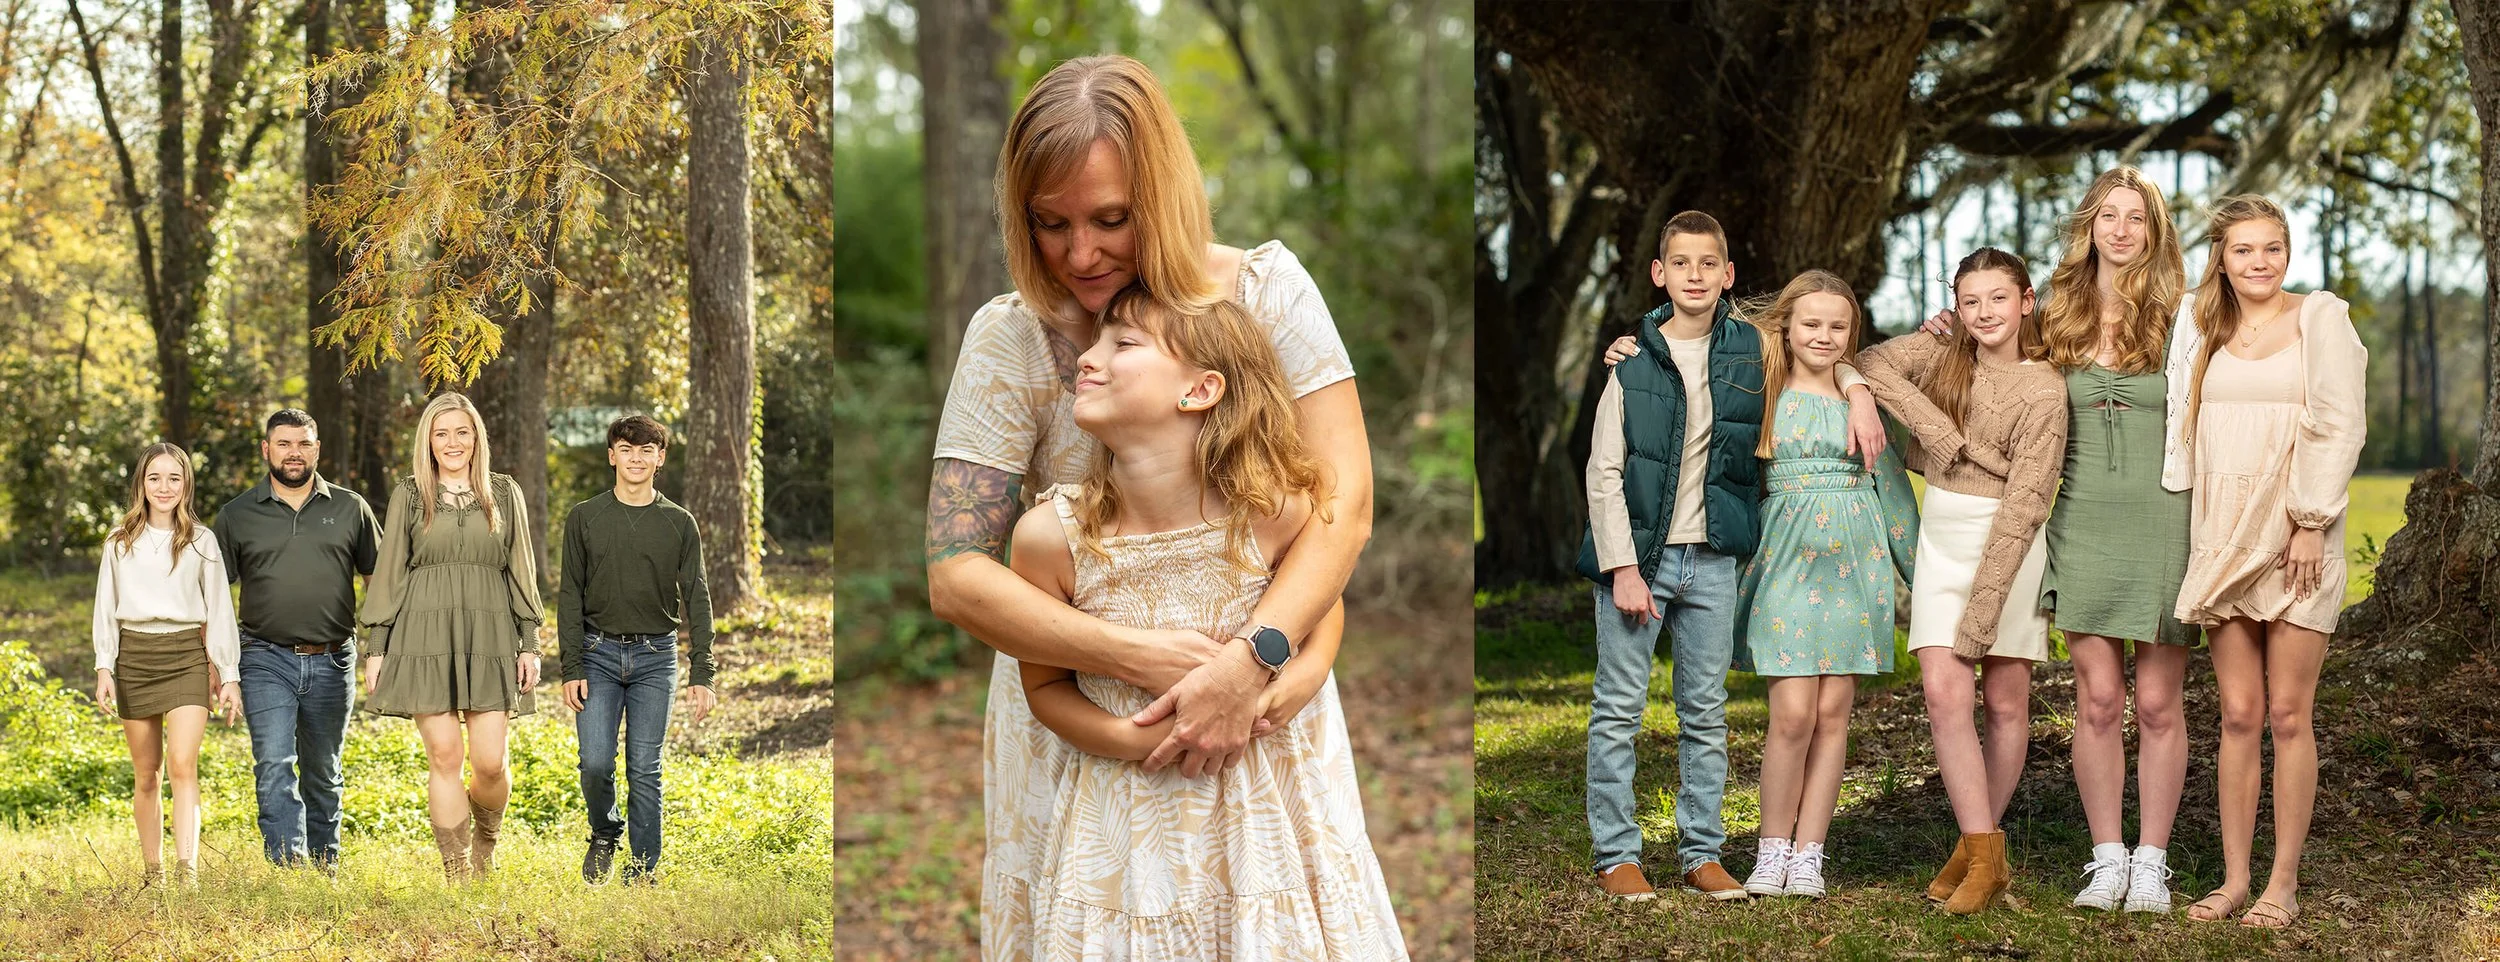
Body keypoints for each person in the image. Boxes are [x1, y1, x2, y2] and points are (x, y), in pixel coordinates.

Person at [917, 55, 1374, 949]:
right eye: (1050, 224)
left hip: (1260, 716)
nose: (1080, 253)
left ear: (1160, 194)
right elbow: (956, 573)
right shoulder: (1009, 338)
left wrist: (1255, 665)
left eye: (1111, 219)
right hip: (1086, 738)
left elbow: (1341, 505)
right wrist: (1139, 661)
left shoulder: (1266, 295)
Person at [1007, 286, 1402, 958]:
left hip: (1266, 807)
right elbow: (1045, 689)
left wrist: (1294, 684)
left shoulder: (1270, 510)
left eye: (1122, 344)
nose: (1089, 359)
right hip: (1126, 825)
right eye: (1094, 343)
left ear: (1200, 390)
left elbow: (1322, 602)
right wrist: (1136, 742)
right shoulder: (1051, 538)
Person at [1578, 211, 1887, 902]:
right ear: (1660, 274)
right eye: (1680, 263)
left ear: (1728, 274)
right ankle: (1618, 854)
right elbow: (1604, 472)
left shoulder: (1751, 352)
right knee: (1620, 708)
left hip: (1715, 558)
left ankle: (1701, 852)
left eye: (1708, 264)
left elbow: (1825, 343)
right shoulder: (1632, 363)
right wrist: (1623, 567)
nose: (1695, 275)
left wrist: (1860, 389)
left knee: (1705, 712)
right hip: (1641, 559)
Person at [1924, 167, 2200, 913]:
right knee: (2099, 700)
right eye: (2107, 216)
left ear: (2154, 231)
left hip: (2167, 521)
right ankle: (2107, 858)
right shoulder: (2055, 317)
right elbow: (1988, 351)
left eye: (2136, 218)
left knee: (2159, 705)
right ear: (2089, 226)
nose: (2120, 230)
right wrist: (1937, 332)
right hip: (2078, 522)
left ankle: (2153, 863)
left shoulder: (2185, 316)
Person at [2172, 195, 2366, 929]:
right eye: (2243, 250)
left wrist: (2312, 522)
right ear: (2221, 257)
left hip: (2294, 540)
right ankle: (2233, 879)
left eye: (2272, 249)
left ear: (2288, 253)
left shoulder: (2320, 318)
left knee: (2288, 714)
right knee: (2239, 713)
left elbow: (2340, 423)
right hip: (2223, 537)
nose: (2258, 263)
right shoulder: (2203, 324)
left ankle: (2282, 884)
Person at [1855, 247, 2068, 914]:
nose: (1985, 314)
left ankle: (1976, 852)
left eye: (1998, 299)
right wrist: (1940, 432)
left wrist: (1982, 612)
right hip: (1943, 534)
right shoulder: (1946, 356)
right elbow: (1869, 365)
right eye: (1971, 301)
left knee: (2005, 699)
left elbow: (2028, 503)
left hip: (2010, 541)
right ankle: (1985, 853)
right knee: (1946, 694)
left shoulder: (2045, 389)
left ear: (2026, 301)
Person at [1730, 271, 1918, 900]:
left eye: (1839, 326)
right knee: (1791, 715)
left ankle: (1810, 853)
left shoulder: (1864, 403)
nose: (1824, 336)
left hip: (1855, 564)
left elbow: (1891, 492)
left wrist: (1920, 577)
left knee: (1834, 714)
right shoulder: (1760, 391)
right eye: (1811, 323)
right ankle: (1771, 848)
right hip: (1784, 560)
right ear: (1785, 325)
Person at [359, 392, 545, 880]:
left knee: (488, 762)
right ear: (428, 440)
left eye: (462, 431)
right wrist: (376, 647)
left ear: (477, 437)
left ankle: (486, 840)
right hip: (422, 633)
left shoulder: (504, 493)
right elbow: (390, 573)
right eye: (441, 433)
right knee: (445, 755)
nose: (452, 442)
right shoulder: (409, 493)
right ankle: (458, 871)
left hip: (490, 634)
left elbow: (521, 571)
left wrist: (530, 642)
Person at [213, 409, 379, 873]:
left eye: (304, 443)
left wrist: (378, 648)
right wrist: (220, 665)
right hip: (264, 657)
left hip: (333, 659)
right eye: (284, 443)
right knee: (274, 765)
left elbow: (379, 584)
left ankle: (325, 865)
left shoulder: (350, 507)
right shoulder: (237, 515)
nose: (294, 453)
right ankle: (288, 868)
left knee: (323, 772)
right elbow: (213, 596)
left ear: (317, 449)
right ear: (266, 449)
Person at [557, 415, 718, 884]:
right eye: (626, 449)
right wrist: (571, 667)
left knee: (645, 767)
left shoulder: (678, 523)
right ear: (612, 455)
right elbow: (570, 596)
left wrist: (702, 672)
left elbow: (698, 597)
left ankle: (642, 869)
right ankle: (605, 832)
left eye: (647, 450)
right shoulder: (585, 517)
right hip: (597, 654)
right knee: (596, 761)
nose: (636, 458)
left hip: (655, 657)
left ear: (660, 459)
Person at [91, 442, 242, 886]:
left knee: (182, 764)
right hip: (135, 658)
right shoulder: (118, 543)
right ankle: (153, 872)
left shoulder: (201, 541)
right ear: (141, 482)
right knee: (147, 774)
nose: (164, 486)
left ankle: (187, 870)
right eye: (155, 477)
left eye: (174, 478)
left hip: (187, 659)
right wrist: (105, 667)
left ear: (186, 484)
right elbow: (105, 608)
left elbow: (218, 611)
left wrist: (228, 673)